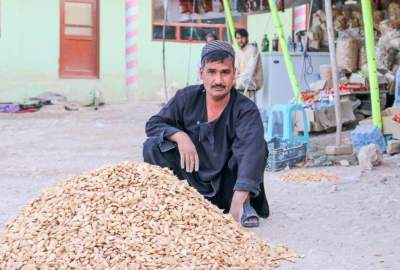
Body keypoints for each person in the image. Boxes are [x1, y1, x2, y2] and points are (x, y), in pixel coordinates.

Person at [143, 41, 269, 228]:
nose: (218, 80)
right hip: (191, 184)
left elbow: (252, 151)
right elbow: (153, 124)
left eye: (225, 72)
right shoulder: (186, 98)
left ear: (234, 74)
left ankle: (243, 202)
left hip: (228, 189)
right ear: (201, 72)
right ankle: (175, 203)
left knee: (257, 147)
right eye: (211, 72)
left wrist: (239, 197)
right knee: (153, 145)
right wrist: (180, 136)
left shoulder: (245, 109)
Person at [235, 29, 264, 101]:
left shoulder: (253, 49)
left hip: (253, 80)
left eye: (242, 38)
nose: (240, 40)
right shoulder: (238, 52)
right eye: (238, 38)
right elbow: (236, 69)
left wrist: (236, 80)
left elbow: (250, 70)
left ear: (247, 38)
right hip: (242, 79)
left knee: (237, 82)